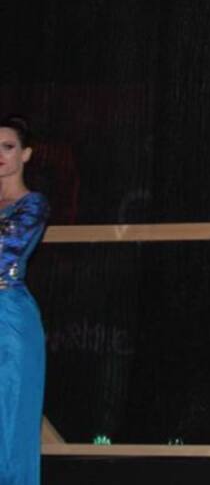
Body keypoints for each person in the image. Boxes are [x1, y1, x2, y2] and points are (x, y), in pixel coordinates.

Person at [0, 115, 49, 485]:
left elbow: (6, 253)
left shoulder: (32, 204)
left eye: (8, 146)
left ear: (26, 154)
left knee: (12, 424)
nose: (0, 155)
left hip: (10, 320)